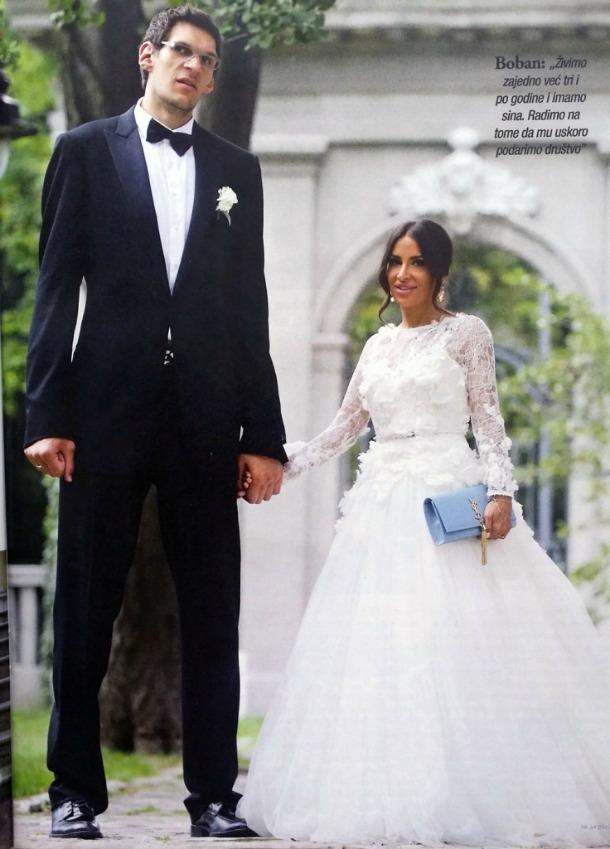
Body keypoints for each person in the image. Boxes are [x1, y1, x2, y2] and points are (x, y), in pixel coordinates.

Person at [238, 219, 610, 847]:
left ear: (438, 271)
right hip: (382, 503)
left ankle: (476, 788)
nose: (402, 274)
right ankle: (389, 792)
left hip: (446, 492)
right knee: (382, 643)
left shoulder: (467, 333)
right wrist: (279, 464)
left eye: (415, 262)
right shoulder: (376, 346)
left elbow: (488, 420)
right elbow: (343, 429)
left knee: (459, 637)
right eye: (395, 261)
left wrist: (501, 492)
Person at [23, 5, 286, 840]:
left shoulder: (237, 170)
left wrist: (264, 435)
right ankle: (73, 791)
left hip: (206, 417)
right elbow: (56, 290)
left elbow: (250, 309)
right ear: (147, 56)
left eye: (207, 59)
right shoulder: (83, 151)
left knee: (212, 609)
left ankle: (213, 797)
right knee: (84, 606)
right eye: (181, 51)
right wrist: (47, 413)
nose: (193, 66)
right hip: (103, 412)